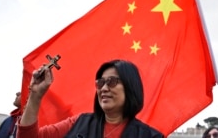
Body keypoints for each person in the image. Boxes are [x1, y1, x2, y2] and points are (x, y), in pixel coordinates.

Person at [16, 59, 164, 138]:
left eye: (112, 82)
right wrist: (35, 95)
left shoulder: (150, 136)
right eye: (100, 83)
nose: (104, 88)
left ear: (131, 87)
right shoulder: (78, 123)